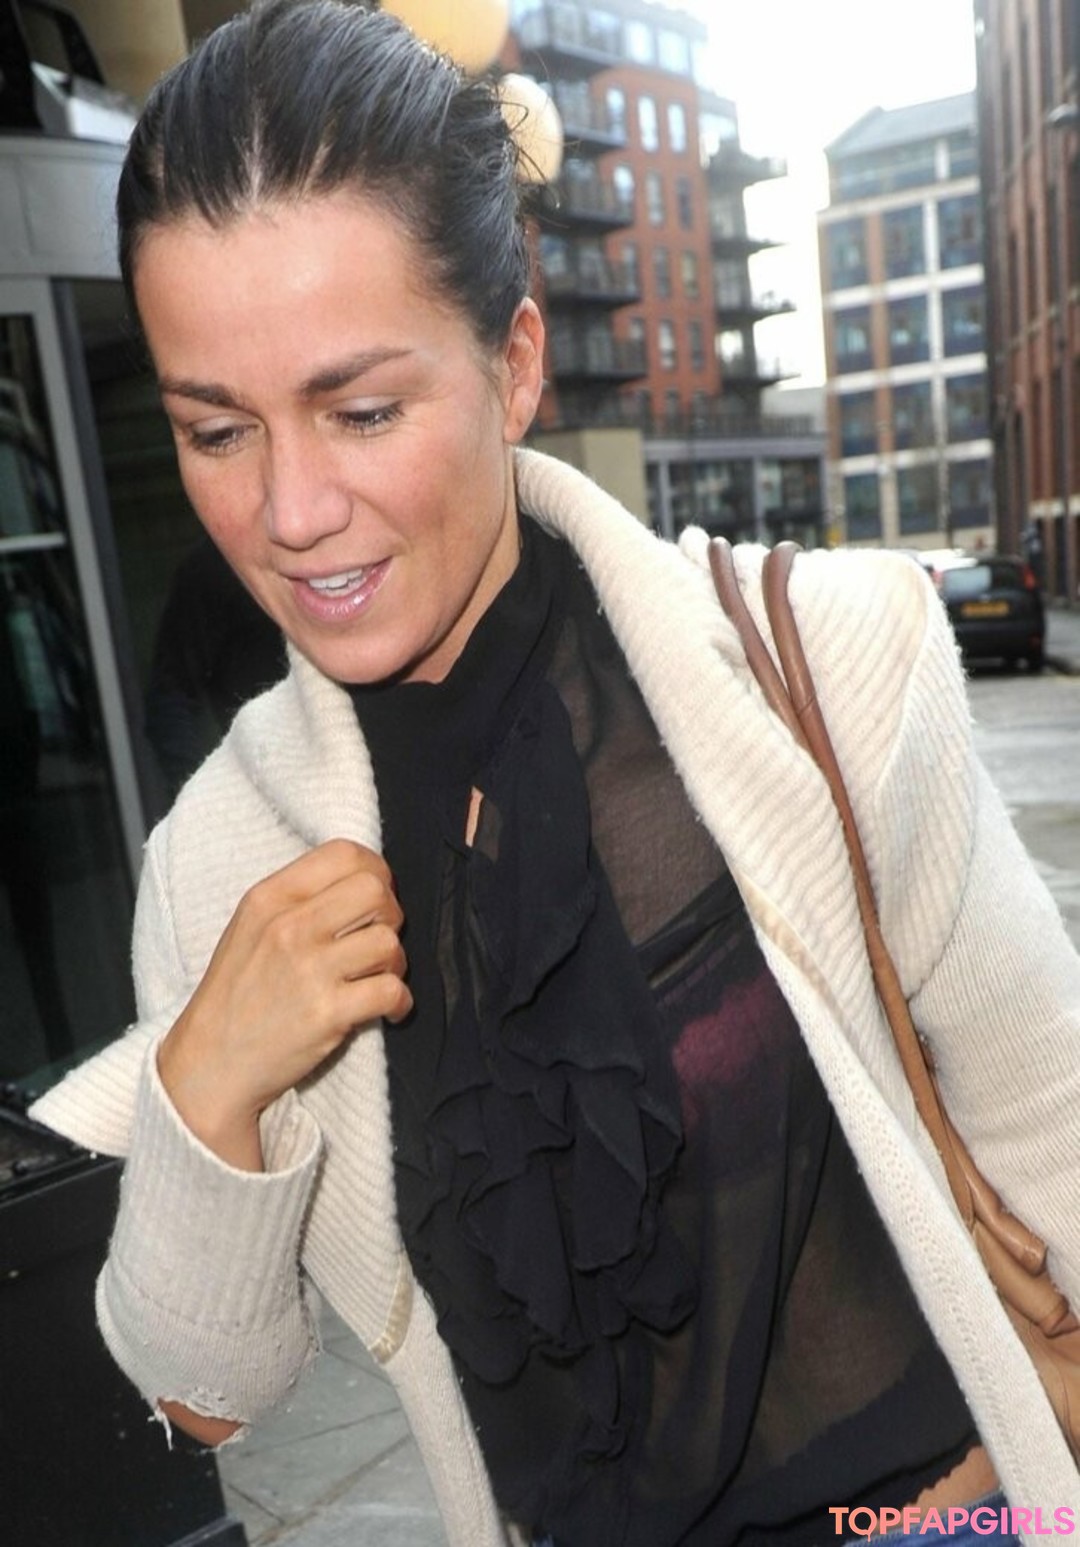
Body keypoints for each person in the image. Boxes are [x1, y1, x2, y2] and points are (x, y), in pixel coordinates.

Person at [30, 4, 1080, 1544]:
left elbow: (1055, 1124)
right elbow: (209, 1398)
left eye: (361, 410)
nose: (292, 509)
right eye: (215, 431)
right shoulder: (220, 858)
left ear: (516, 363)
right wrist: (209, 1088)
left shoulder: (829, 667)